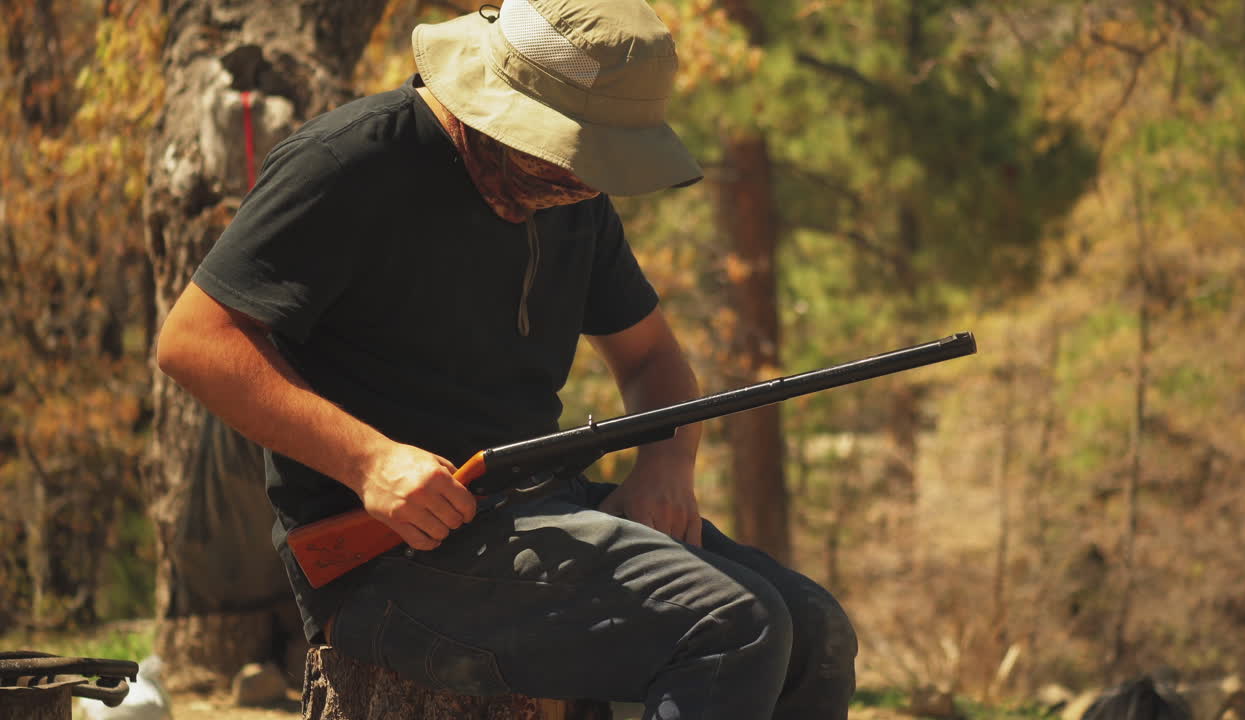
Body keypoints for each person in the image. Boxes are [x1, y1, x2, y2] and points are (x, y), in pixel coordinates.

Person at [155, 0, 857, 717]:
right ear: (492, 100)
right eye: (562, 156)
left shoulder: (574, 196)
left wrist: (665, 467)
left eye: (595, 162)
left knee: (817, 631)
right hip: (390, 557)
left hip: (541, 511)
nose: (581, 184)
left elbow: (651, 360)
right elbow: (194, 340)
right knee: (730, 623)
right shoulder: (351, 160)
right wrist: (370, 461)